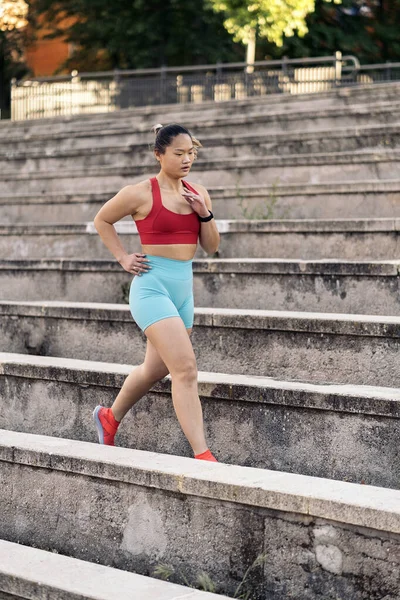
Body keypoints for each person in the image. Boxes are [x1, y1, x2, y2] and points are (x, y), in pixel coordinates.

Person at [92, 123, 220, 462]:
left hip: (183, 290)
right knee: (185, 369)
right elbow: (102, 220)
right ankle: (202, 454)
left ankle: (109, 417)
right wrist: (122, 256)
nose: (187, 159)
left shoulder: (199, 193)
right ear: (158, 155)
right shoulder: (140, 193)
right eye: (179, 153)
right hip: (151, 287)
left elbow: (211, 247)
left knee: (154, 369)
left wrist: (203, 213)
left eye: (191, 153)